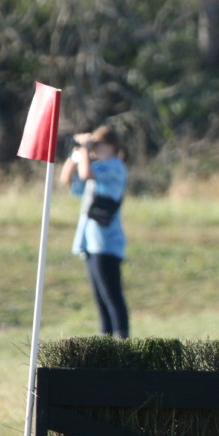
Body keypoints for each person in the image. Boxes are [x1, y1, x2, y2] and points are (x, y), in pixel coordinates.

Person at [60, 124, 130, 339]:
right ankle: (105, 342)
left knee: (112, 296)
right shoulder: (95, 164)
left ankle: (122, 340)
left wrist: (84, 152)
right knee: (99, 297)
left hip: (107, 243)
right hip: (88, 241)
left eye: (97, 144)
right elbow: (67, 179)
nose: (94, 148)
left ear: (110, 145)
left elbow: (87, 172)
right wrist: (76, 152)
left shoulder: (116, 166)